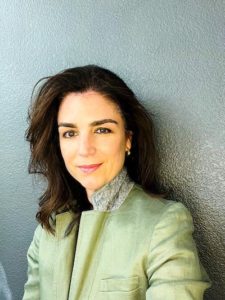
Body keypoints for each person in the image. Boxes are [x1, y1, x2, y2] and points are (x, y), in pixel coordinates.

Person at [23, 65, 210, 300]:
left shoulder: (164, 225)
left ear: (127, 139)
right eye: (70, 133)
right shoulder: (48, 229)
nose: (85, 150)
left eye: (102, 130)